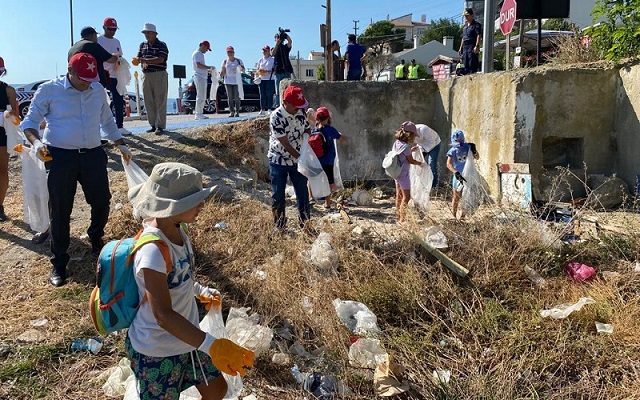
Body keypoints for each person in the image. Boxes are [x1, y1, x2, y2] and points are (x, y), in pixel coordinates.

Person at [126, 162, 255, 399]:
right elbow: (163, 316)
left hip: (188, 339)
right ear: (172, 208)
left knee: (217, 390)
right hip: (158, 350)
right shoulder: (152, 251)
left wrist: (198, 289)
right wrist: (213, 346)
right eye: (194, 201)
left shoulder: (178, 231)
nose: (201, 205)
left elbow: (178, 276)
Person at [20, 53, 132, 287]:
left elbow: (107, 122)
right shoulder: (50, 91)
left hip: (93, 154)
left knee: (102, 201)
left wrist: (121, 144)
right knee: (60, 210)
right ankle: (59, 263)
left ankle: (95, 236)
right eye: (82, 79)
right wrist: (37, 143)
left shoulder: (97, 90)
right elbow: (29, 124)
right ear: (69, 70)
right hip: (60, 156)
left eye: (90, 79)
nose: (86, 84)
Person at [268, 85, 311, 231]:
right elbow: (285, 143)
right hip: (278, 160)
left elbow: (306, 127)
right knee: (278, 194)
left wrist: (307, 135)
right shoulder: (277, 116)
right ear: (286, 102)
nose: (299, 109)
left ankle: (305, 225)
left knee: (303, 193)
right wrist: (301, 157)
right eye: (296, 106)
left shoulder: (300, 112)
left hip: (298, 161)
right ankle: (279, 226)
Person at [97, 17, 132, 136]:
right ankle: (99, 128)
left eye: (114, 29)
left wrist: (119, 62)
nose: (112, 31)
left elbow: (119, 56)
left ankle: (120, 126)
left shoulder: (117, 41)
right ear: (104, 28)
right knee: (99, 101)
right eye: (110, 29)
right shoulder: (98, 40)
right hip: (101, 75)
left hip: (115, 75)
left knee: (118, 100)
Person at [134, 23, 169, 134]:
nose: (146, 35)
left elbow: (161, 59)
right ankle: (153, 124)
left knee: (160, 99)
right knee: (148, 100)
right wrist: (139, 61)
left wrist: (145, 61)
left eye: (148, 32)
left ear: (154, 33)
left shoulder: (161, 45)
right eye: (145, 33)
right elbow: (139, 57)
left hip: (159, 73)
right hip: (146, 74)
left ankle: (160, 125)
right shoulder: (142, 45)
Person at [314, 107, 346, 210]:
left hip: (318, 160)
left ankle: (313, 198)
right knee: (329, 183)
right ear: (328, 118)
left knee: (320, 180)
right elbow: (341, 139)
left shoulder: (315, 130)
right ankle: (327, 203)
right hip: (328, 161)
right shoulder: (331, 130)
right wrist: (343, 136)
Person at [0, 57, 19, 222]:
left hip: (1, 135)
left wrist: (6, 116)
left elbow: (16, 119)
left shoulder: (8, 91)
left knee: (1, 171)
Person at [392, 123, 423, 223]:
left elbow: (401, 153)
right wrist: (421, 163)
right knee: (406, 197)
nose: (414, 138)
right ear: (409, 134)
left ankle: (398, 215)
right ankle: (402, 220)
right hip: (403, 174)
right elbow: (411, 161)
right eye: (414, 135)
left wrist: (410, 150)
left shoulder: (397, 143)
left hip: (396, 172)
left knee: (399, 195)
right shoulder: (405, 147)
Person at [446, 129, 479, 220]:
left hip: (468, 175)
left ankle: (463, 216)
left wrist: (474, 151)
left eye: (459, 144)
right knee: (456, 197)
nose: (458, 146)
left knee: (467, 195)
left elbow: (477, 157)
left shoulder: (468, 147)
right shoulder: (452, 151)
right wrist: (455, 172)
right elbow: (448, 164)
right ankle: (453, 215)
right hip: (458, 176)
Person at [404, 121, 441, 189]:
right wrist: (417, 147)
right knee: (417, 163)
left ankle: (434, 186)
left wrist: (422, 149)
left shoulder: (424, 129)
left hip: (435, 144)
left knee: (431, 163)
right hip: (422, 146)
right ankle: (420, 183)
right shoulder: (408, 133)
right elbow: (420, 142)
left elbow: (431, 142)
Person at [220, 46, 245, 118]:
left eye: (231, 52)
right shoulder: (225, 61)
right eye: (228, 52)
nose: (230, 53)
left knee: (237, 97)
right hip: (228, 81)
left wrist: (239, 68)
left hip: (237, 81)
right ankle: (231, 111)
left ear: (233, 52)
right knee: (229, 97)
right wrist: (218, 76)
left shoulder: (238, 60)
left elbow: (243, 69)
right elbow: (223, 71)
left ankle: (237, 111)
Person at [271, 31, 293, 108]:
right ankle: (278, 106)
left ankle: (287, 105)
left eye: (279, 38)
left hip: (286, 70)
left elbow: (290, 42)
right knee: (278, 91)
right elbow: (272, 54)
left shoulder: (285, 47)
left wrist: (285, 35)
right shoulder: (274, 48)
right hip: (278, 72)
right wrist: (277, 43)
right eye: (277, 38)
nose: (278, 39)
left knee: (287, 90)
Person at [192, 40, 213, 120]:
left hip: (202, 76)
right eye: (206, 49)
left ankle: (200, 113)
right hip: (199, 76)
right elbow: (198, 65)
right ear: (203, 46)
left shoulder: (200, 54)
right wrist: (208, 67)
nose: (206, 51)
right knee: (200, 95)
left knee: (203, 95)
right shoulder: (197, 54)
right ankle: (198, 113)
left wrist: (208, 70)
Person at [458, 8, 482, 75]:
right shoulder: (465, 27)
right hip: (465, 47)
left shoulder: (476, 25)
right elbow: (463, 38)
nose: (466, 17)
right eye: (465, 16)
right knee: (465, 63)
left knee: (472, 62)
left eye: (467, 15)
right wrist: (460, 48)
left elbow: (478, 35)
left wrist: (476, 46)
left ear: (472, 15)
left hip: (472, 45)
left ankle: (472, 75)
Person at [256, 45, 275, 116]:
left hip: (270, 79)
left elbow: (275, 70)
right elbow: (257, 69)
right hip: (262, 79)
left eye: (265, 51)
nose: (264, 52)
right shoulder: (260, 60)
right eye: (263, 51)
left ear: (268, 51)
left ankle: (269, 108)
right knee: (262, 94)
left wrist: (266, 71)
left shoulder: (272, 59)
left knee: (269, 94)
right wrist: (259, 72)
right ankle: (262, 109)